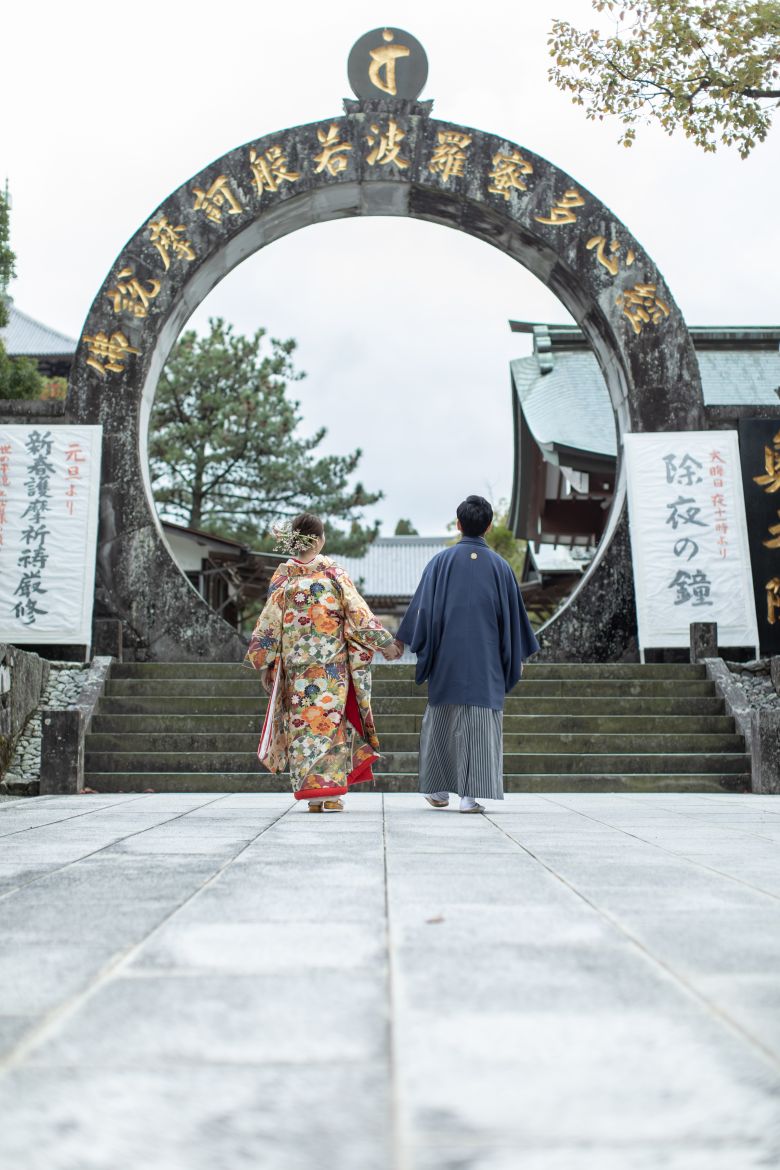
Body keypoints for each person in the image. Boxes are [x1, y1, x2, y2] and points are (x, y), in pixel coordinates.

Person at [245, 513, 402, 812]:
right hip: (331, 669)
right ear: (318, 540)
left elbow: (268, 626)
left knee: (303, 728)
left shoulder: (283, 578)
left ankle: (312, 798)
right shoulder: (333, 574)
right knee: (329, 726)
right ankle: (330, 795)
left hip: (296, 671)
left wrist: (267, 664)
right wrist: (386, 644)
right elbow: (359, 614)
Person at [395, 495, 539, 813]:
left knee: (443, 719)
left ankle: (437, 790)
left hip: (447, 656)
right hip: (486, 660)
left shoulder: (440, 563)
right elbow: (513, 620)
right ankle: (470, 797)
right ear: (488, 526)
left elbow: (422, 611)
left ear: (458, 524)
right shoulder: (501, 568)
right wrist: (516, 657)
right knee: (479, 721)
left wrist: (402, 643)